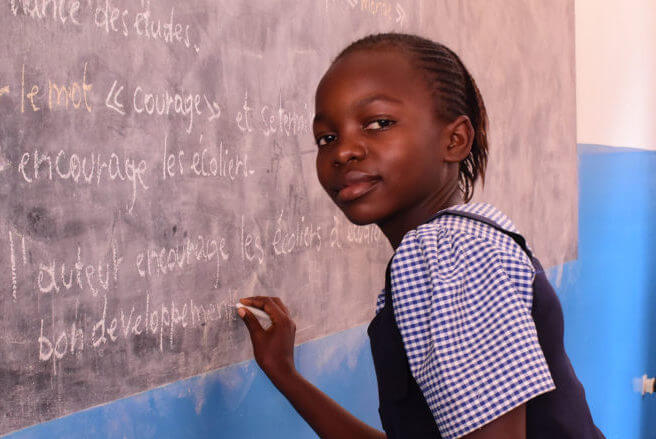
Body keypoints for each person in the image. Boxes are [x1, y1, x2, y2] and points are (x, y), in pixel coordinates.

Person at [237, 33, 604, 439]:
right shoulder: (475, 235)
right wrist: (286, 375)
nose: (342, 152)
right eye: (327, 138)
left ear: (454, 139)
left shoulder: (446, 253)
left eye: (379, 123)